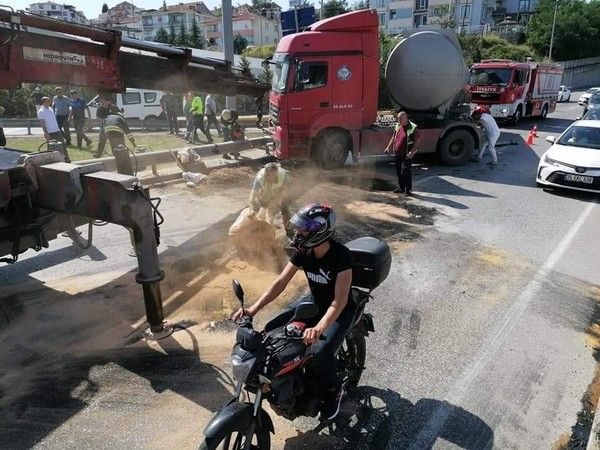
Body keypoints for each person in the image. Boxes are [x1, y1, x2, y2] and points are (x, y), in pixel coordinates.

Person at [231, 203, 353, 421]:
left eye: (305, 229)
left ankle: (335, 392)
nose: (299, 233)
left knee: (321, 350)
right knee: (272, 330)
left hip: (340, 310)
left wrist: (319, 328)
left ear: (320, 230)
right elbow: (280, 282)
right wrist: (253, 308)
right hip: (315, 303)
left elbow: (339, 300)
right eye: (300, 228)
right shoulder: (303, 252)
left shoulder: (341, 256)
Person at [384, 111, 419, 195]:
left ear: (406, 118)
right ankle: (401, 187)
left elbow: (417, 141)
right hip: (398, 152)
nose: (398, 120)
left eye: (400, 119)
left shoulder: (413, 127)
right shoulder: (398, 125)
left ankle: (408, 189)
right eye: (398, 118)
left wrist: (412, 152)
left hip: (407, 154)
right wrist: (388, 147)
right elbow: (393, 137)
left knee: (405, 171)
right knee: (398, 171)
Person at [248, 162, 291, 230]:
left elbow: (283, 191)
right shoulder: (260, 178)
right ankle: (265, 225)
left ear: (276, 173)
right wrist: (251, 209)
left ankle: (287, 228)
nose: (271, 177)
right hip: (266, 189)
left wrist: (275, 201)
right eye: (269, 175)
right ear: (265, 174)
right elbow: (252, 195)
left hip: (280, 188)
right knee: (263, 203)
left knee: (284, 205)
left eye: (273, 175)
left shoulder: (283, 176)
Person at [38, 97, 70, 162]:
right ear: (44, 102)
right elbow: (42, 124)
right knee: (52, 148)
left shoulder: (50, 108)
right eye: (48, 101)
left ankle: (66, 160)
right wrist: (46, 133)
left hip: (57, 131)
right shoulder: (41, 111)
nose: (49, 102)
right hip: (50, 132)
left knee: (62, 146)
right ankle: (52, 161)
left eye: (49, 101)